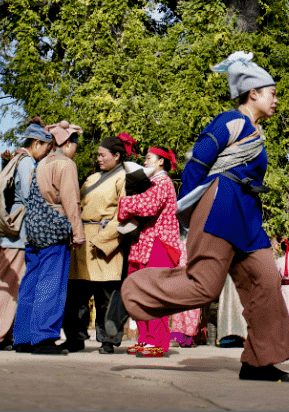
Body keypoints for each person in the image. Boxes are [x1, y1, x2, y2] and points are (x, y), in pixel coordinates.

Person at [121, 51, 289, 383]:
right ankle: (134, 290)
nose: (276, 101)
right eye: (272, 93)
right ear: (254, 92)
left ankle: (259, 361)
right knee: (204, 286)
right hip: (222, 203)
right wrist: (193, 206)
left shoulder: (257, 133)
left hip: (247, 214)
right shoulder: (232, 120)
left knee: (267, 282)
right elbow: (198, 163)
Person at [13, 120, 85, 354]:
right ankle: (43, 337)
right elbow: (70, 202)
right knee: (51, 282)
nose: (76, 147)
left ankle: (22, 337)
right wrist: (78, 233)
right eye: (75, 142)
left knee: (30, 282)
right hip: (54, 228)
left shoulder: (40, 163)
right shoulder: (66, 165)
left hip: (33, 228)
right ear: (67, 143)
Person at [0, 132, 46, 350]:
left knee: (8, 283)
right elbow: (29, 194)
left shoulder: (15, 160)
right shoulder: (25, 162)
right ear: (37, 143)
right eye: (46, 147)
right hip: (17, 234)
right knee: (9, 284)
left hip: (8, 233)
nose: (47, 152)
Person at [64, 134, 133, 354]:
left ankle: (108, 340)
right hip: (84, 241)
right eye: (98, 155)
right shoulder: (92, 179)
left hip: (106, 242)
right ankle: (75, 337)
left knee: (107, 297)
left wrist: (104, 240)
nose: (99, 159)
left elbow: (124, 213)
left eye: (103, 155)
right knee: (76, 295)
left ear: (117, 155)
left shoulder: (124, 178)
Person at [115, 145, 182, 357]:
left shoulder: (162, 182)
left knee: (154, 293)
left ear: (161, 161)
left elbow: (148, 206)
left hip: (159, 243)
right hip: (146, 243)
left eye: (149, 157)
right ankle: (145, 339)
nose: (145, 161)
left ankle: (156, 342)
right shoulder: (151, 183)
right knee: (139, 291)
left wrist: (124, 202)